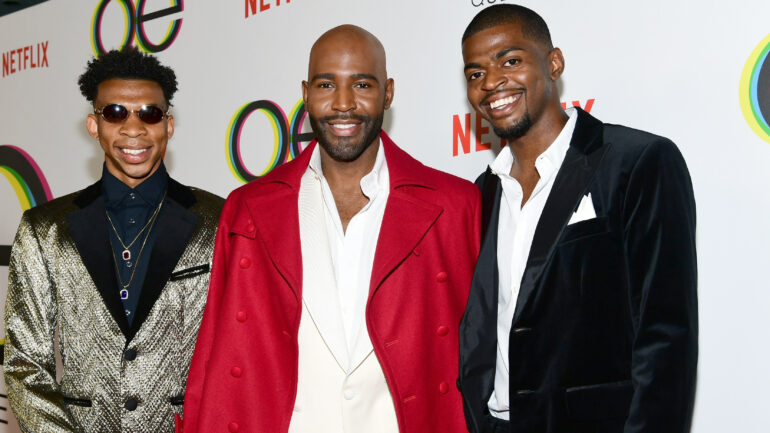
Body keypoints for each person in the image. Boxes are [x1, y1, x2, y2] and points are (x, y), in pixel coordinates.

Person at [181, 25, 480, 433]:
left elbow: (483, 356)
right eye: (326, 84)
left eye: (361, 84)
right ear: (305, 93)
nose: (343, 104)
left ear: (388, 92)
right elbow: (218, 350)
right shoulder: (248, 208)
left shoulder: (454, 204)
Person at [457, 5, 698, 433]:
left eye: (510, 60)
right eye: (475, 74)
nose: (492, 82)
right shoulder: (484, 192)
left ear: (554, 63)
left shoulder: (638, 162)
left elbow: (666, 338)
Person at [4, 48, 224, 433]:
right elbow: (25, 364)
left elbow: (240, 352)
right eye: (116, 113)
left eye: (149, 114)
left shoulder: (219, 221)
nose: (133, 128)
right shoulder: (45, 229)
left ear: (168, 125)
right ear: (94, 125)